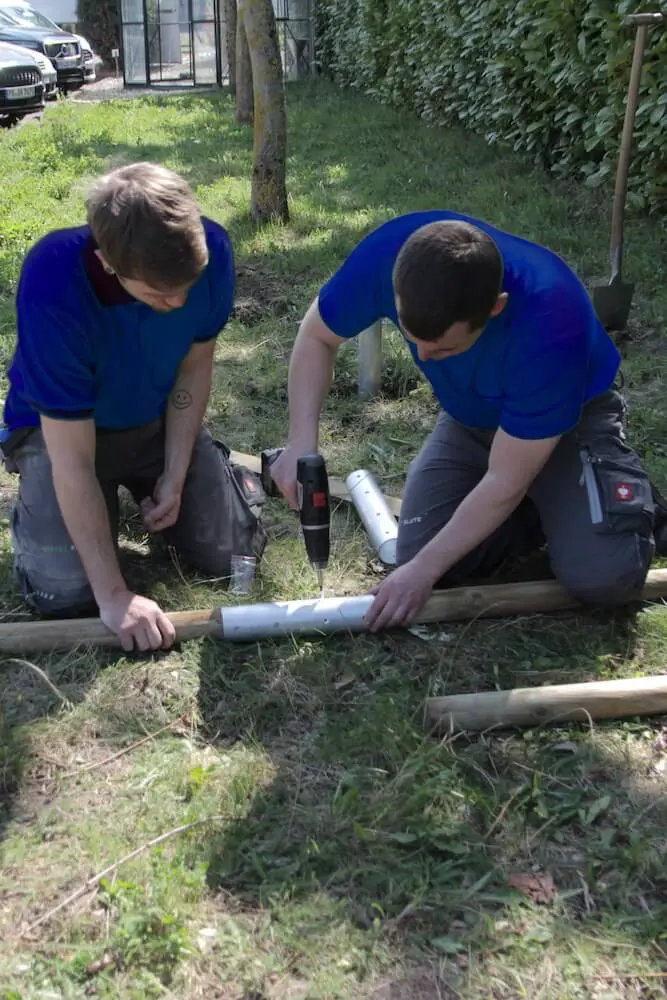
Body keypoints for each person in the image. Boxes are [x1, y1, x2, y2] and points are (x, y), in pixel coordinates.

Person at [270, 210, 658, 632]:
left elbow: (503, 482)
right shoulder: (393, 255)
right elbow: (316, 336)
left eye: (442, 350)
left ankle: (611, 500)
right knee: (419, 554)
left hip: (569, 423)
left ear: (495, 308)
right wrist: (301, 443)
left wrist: (422, 574)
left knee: (605, 576)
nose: (423, 357)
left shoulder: (550, 319)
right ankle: (546, 512)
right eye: (412, 340)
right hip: (472, 420)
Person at [1, 162, 265, 653]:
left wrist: (175, 470)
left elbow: (193, 367)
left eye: (188, 285)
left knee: (232, 553)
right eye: (160, 294)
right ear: (107, 263)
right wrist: (115, 594)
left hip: (153, 419)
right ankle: (45, 518)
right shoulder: (54, 279)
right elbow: (73, 458)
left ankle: (213, 480)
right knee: (64, 593)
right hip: (61, 436)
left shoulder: (213, 249)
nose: (180, 300)